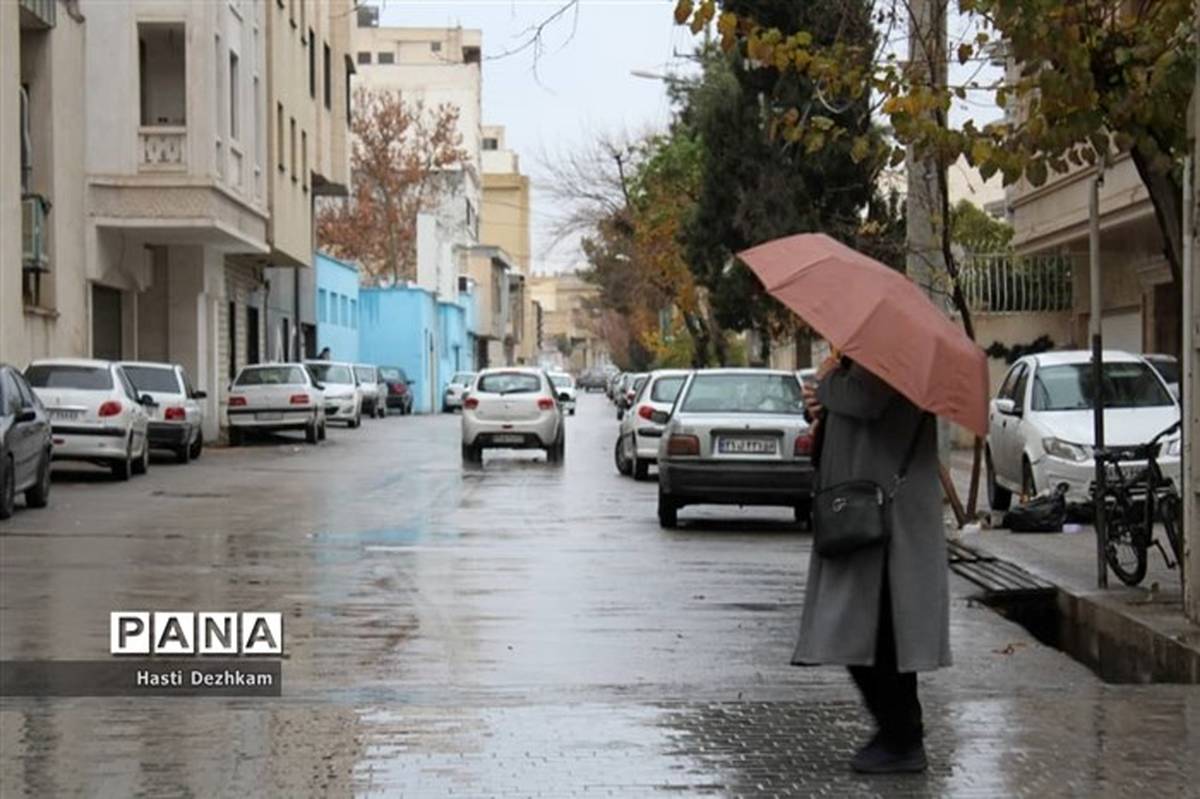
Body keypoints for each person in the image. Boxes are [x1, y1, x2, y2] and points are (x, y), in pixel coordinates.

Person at [793, 355, 950, 774]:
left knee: (872, 630)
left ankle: (902, 737)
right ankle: (900, 734)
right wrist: (822, 403)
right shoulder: (869, 355)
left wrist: (826, 383)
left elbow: (865, 400)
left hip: (883, 515)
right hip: (867, 509)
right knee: (871, 629)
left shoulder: (888, 354)